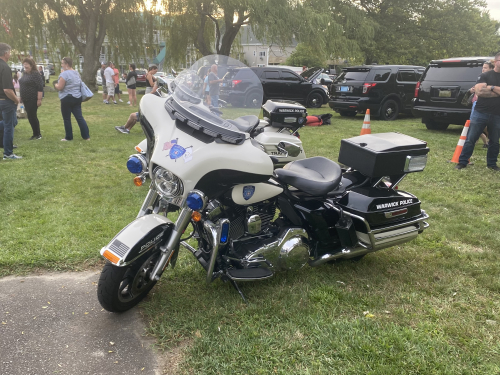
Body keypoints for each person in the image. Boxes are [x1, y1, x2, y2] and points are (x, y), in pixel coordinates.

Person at [456, 52, 500, 171]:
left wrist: (490, 87)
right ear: (496, 62)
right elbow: (480, 92)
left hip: (497, 114)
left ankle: (492, 164)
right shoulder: (485, 75)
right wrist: (497, 91)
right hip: (480, 112)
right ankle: (462, 162)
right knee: (471, 138)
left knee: (495, 141)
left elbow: (484, 90)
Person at [53, 57, 90, 141]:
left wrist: (55, 84)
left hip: (67, 97)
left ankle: (69, 137)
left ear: (66, 64)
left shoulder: (64, 74)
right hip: (77, 97)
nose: (61, 65)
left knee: (67, 118)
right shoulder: (76, 73)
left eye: (62, 63)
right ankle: (86, 136)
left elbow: (60, 87)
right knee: (79, 117)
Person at [0, 43, 21, 159]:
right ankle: (8, 153)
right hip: (6, 101)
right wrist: (16, 100)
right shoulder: (5, 67)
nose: (10, 54)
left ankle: (7, 147)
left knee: (12, 122)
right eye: (9, 52)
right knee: (9, 126)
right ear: (5, 53)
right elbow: (7, 89)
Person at [469, 61, 494, 148]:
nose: (483, 69)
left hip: (486, 106)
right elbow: (476, 89)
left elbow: (486, 90)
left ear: (491, 68)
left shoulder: (492, 78)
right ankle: (482, 141)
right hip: (476, 103)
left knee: (480, 124)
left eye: (485, 67)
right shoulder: (481, 77)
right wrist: (472, 90)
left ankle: (487, 141)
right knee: (474, 123)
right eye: (483, 67)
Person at [19, 58, 44, 140]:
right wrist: (21, 96)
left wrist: (39, 99)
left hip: (32, 98)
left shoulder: (35, 74)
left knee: (32, 116)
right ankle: (34, 133)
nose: (25, 66)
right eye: (24, 64)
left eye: (26, 64)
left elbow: (40, 87)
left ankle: (38, 134)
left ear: (31, 65)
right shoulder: (25, 73)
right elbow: (22, 85)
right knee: (29, 116)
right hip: (25, 98)